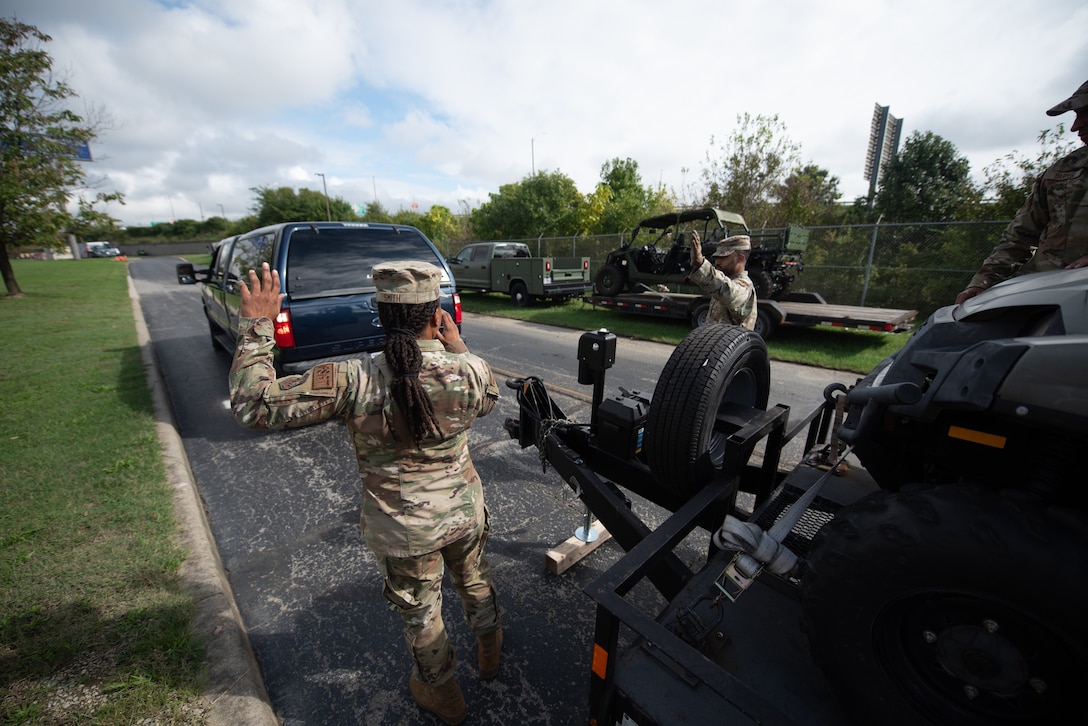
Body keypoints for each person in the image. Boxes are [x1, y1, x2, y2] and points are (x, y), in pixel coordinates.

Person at [229, 260, 502, 725]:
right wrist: (455, 345)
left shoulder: (352, 379)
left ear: (381, 314)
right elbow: (490, 399)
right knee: (474, 580)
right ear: (436, 315)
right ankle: (490, 651)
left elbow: (253, 405)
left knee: (422, 613)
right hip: (464, 510)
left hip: (405, 529)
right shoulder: (470, 369)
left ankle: (445, 696)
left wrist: (257, 325)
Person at [956, 79, 1088, 304]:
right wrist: (984, 282)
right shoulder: (1064, 169)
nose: (1075, 126)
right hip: (1045, 299)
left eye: (1085, 113)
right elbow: (1020, 236)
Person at [688, 229, 758, 329]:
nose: (717, 262)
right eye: (716, 257)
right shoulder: (724, 282)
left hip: (730, 344)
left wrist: (701, 265)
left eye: (723, 257)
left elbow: (727, 290)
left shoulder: (744, 287)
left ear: (740, 258)